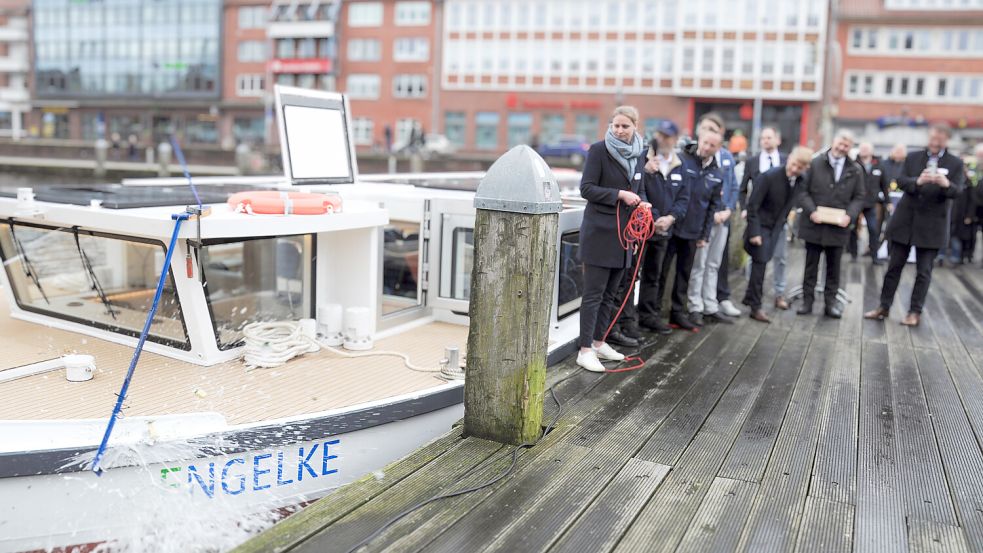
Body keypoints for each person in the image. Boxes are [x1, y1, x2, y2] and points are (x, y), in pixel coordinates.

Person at [864, 124, 965, 326]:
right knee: (894, 267)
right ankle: (883, 306)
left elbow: (958, 191)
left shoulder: (955, 163)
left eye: (940, 138)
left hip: (933, 225)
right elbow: (901, 181)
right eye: (933, 137)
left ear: (947, 140)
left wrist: (945, 184)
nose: (935, 142)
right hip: (906, 221)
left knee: (924, 271)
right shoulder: (913, 157)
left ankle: (914, 312)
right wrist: (918, 181)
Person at [576, 106, 651, 372]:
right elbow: (586, 188)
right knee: (593, 295)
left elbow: (639, 189)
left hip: (625, 236)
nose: (619, 131)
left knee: (611, 294)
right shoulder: (598, 151)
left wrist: (643, 205)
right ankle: (584, 350)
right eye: (615, 125)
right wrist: (619, 194)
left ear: (635, 127)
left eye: (625, 126)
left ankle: (599, 342)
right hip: (599, 232)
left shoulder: (641, 153)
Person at [654, 130, 723, 331]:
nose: (706, 147)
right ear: (699, 140)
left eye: (712, 145)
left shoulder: (717, 174)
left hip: (693, 231)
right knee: (662, 271)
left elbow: (712, 207)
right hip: (672, 227)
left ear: (718, 148)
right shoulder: (682, 160)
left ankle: (678, 312)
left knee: (684, 274)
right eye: (705, 143)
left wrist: (704, 234)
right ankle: (654, 312)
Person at [796, 129, 865, 318]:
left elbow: (859, 197)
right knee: (810, 266)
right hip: (814, 225)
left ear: (850, 147)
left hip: (839, 228)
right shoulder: (814, 163)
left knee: (834, 269)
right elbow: (802, 191)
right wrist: (812, 211)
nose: (842, 148)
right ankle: (807, 302)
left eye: (846, 145)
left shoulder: (855, 169)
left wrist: (849, 215)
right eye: (840, 143)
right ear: (833, 141)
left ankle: (830, 304)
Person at [743, 146, 813, 322]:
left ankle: (749, 298)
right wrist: (754, 232)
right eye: (793, 164)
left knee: (767, 261)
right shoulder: (769, 176)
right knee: (759, 267)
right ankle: (755, 307)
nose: (794, 170)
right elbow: (752, 206)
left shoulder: (800, 180)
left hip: (776, 227)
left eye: (800, 168)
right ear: (789, 159)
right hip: (760, 226)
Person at [635, 120, 690, 335]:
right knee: (631, 276)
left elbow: (684, 198)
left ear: (675, 139)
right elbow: (640, 190)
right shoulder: (644, 159)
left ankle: (649, 316)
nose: (662, 140)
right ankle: (627, 320)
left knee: (654, 274)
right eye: (660, 135)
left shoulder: (679, 164)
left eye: (667, 136)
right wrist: (655, 217)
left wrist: (670, 218)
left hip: (664, 230)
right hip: (642, 228)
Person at [688, 113, 738, 325]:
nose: (710, 134)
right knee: (699, 264)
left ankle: (711, 304)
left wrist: (728, 210)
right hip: (705, 219)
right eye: (706, 129)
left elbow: (733, 186)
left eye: (715, 131)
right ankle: (695, 306)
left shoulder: (727, 157)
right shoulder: (692, 155)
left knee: (714, 264)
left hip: (723, 218)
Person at [739, 126, 789, 310]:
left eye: (769, 137)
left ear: (778, 139)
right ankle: (753, 292)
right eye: (763, 138)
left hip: (779, 218)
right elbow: (743, 188)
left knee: (781, 256)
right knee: (754, 257)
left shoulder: (785, 160)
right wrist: (745, 208)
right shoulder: (752, 161)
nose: (765, 141)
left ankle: (779, 293)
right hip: (758, 217)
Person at [848, 142, 889, 264]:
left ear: (872, 151)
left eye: (866, 149)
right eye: (862, 148)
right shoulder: (853, 163)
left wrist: (888, 201)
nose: (864, 151)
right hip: (855, 202)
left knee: (873, 229)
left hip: (871, 203)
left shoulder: (879, 165)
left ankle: (874, 256)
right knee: (852, 228)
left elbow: (884, 185)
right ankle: (853, 254)